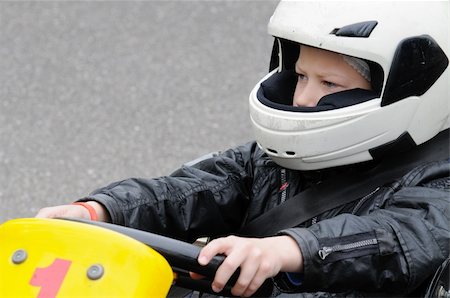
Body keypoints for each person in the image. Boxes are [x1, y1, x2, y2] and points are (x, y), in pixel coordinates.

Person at [36, 1, 449, 297]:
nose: (303, 98)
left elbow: (395, 240)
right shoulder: (275, 161)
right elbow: (190, 190)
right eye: (301, 75)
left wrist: (286, 251)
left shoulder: (438, 185)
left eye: (329, 84)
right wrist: (100, 211)